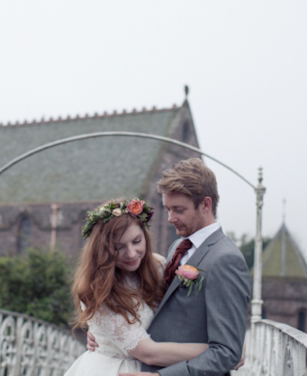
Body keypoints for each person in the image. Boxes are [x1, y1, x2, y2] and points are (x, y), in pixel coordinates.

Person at [90, 158, 251, 376]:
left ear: (205, 204)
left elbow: (226, 352)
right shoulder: (177, 246)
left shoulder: (226, 260)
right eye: (167, 209)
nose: (170, 218)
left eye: (178, 210)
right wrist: (105, 333)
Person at [64, 198, 210, 376]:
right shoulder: (98, 290)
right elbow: (149, 353)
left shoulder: (157, 265)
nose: (131, 253)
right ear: (103, 250)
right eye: (118, 248)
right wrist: (219, 351)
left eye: (136, 241)